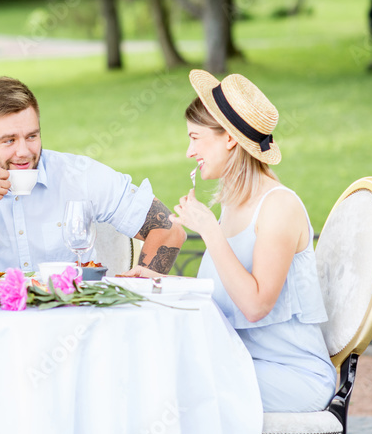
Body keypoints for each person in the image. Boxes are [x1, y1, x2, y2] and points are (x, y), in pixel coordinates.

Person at [127, 70, 335, 413]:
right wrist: (162, 282)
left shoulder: (278, 206)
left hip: (291, 377)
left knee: (172, 389)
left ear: (228, 139)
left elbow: (254, 306)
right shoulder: (234, 203)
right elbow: (220, 295)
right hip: (242, 362)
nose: (188, 151)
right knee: (150, 373)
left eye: (195, 138)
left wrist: (209, 230)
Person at [0, 76, 185, 278]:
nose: (24, 152)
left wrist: (140, 288)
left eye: (32, 136)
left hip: (77, 322)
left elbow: (170, 229)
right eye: (8, 140)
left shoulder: (79, 176)